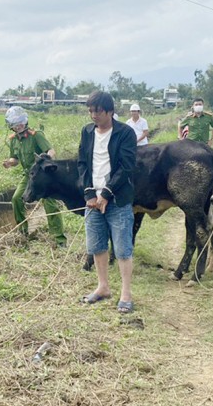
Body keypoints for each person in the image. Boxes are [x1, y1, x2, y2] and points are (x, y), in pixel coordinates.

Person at [78, 91, 137, 314]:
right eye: (90, 111)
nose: (93, 115)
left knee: (122, 248)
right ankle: (103, 287)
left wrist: (107, 195)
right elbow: (82, 163)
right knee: (96, 245)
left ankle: (126, 294)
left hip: (118, 199)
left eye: (98, 111)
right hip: (93, 200)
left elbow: (126, 167)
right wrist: (90, 195)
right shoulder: (87, 131)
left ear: (110, 112)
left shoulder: (125, 133)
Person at [2, 106, 67, 247]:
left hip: (43, 176)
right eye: (14, 124)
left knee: (50, 203)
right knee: (16, 199)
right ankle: (23, 232)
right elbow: (15, 159)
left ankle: (59, 239)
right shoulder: (13, 140)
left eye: (19, 123)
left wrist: (46, 159)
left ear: (24, 122)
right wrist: (9, 163)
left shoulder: (35, 135)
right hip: (29, 175)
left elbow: (51, 150)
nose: (17, 126)